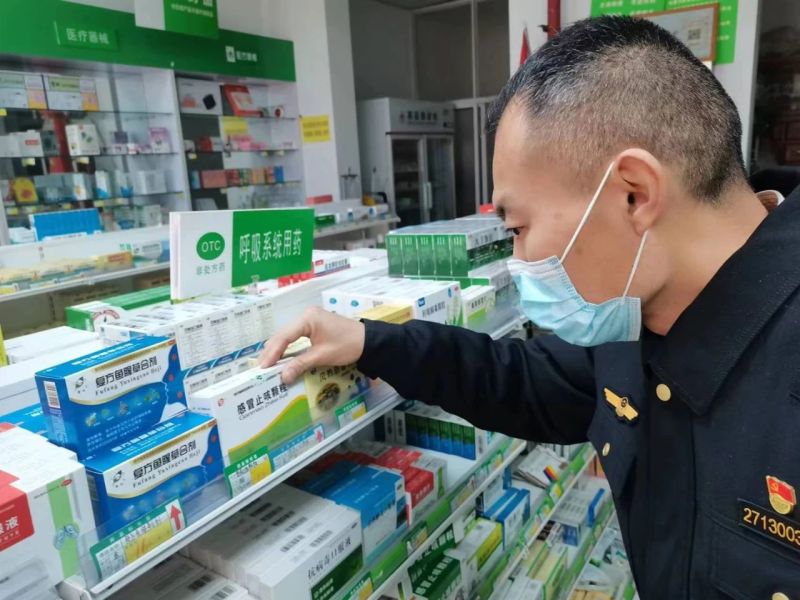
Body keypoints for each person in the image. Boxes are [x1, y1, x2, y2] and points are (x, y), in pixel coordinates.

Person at [261, 15, 800, 599]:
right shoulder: (632, 318)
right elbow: (524, 380)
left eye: (517, 228)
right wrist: (371, 342)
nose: (517, 261)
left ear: (634, 194)